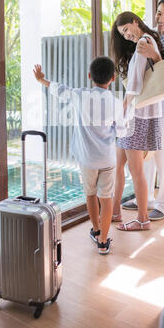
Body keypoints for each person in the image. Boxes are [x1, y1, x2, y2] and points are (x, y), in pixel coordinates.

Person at [33, 56, 127, 254]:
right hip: (108, 159)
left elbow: (60, 90)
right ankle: (103, 241)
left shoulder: (80, 95)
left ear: (89, 76)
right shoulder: (116, 103)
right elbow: (121, 131)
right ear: (112, 78)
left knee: (90, 194)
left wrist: (42, 79)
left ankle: (95, 229)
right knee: (106, 199)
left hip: (87, 160)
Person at [122, 0, 164, 220]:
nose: (161, 19)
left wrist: (155, 55)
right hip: (146, 106)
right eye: (159, 14)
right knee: (146, 152)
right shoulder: (151, 34)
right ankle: (146, 196)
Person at [111, 11, 164, 231]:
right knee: (119, 165)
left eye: (126, 30)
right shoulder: (148, 40)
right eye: (122, 34)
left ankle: (143, 219)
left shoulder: (144, 42)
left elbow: (134, 85)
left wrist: (122, 109)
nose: (126, 36)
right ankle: (116, 210)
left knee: (136, 172)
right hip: (137, 114)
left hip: (136, 115)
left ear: (135, 22)